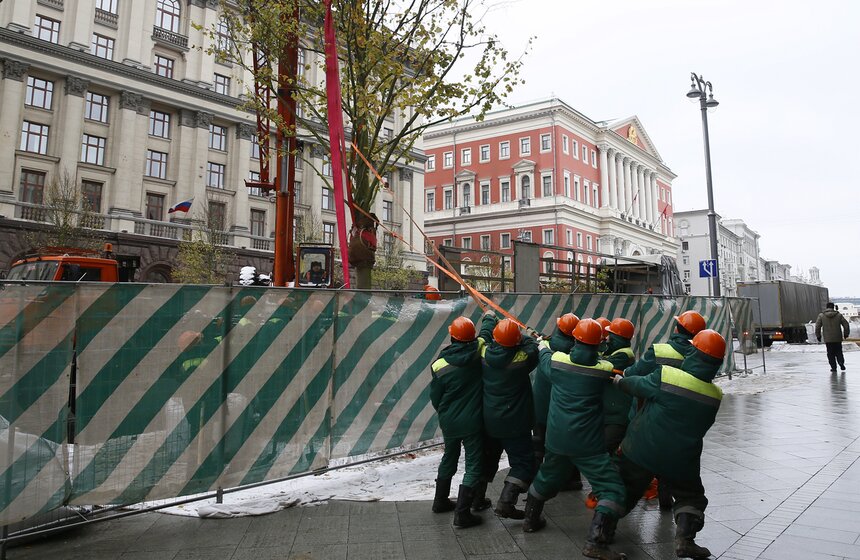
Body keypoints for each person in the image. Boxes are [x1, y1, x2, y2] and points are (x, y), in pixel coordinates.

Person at [612, 329, 727, 559]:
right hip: (681, 458)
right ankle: (685, 539)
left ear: (694, 352)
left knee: (624, 489)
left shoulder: (667, 376)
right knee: (690, 496)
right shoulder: (715, 395)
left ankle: (601, 532)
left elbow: (637, 385)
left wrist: (620, 382)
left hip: (642, 448)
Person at [523, 319, 627, 560]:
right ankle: (597, 540)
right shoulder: (602, 369)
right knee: (612, 488)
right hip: (587, 444)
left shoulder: (558, 362)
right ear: (599, 343)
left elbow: (546, 357)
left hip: (557, 438)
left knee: (547, 477)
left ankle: (530, 519)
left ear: (575, 340)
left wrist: (542, 344)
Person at [624, 310, 706, 510]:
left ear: (677, 328)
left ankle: (610, 516)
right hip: (684, 417)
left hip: (652, 411)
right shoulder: (702, 356)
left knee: (646, 457)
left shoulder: (660, 350)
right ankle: (665, 498)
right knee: (673, 459)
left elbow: (635, 374)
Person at [479, 315, 540, 520]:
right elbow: (532, 344)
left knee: (487, 461)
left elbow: (484, 335)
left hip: (490, 419)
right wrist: (519, 333)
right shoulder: (522, 359)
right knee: (523, 463)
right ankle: (506, 502)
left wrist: (489, 319)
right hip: (515, 422)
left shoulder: (483, 352)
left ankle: (476, 498)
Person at [429, 316, 487, 528]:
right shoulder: (478, 353)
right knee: (473, 463)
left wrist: (445, 412)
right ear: (472, 337)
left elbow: (435, 396)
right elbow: (485, 335)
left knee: (449, 457)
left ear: (452, 336)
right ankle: (463, 513)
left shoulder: (439, 364)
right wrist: (489, 317)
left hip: (449, 420)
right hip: (472, 421)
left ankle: (440, 501)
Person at [584, 318, 636, 509]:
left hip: (618, 415)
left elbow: (600, 365)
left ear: (620, 337)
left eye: (610, 335)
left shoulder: (624, 354)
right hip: (610, 413)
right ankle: (608, 489)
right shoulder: (616, 351)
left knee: (606, 452)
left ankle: (609, 492)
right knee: (607, 451)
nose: (608, 338)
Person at [532, 313, 578, 469]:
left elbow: (551, 346)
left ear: (559, 327)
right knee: (562, 443)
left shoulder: (546, 346)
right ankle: (570, 477)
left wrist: (541, 342)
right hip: (561, 408)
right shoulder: (574, 351)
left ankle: (534, 471)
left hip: (542, 401)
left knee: (538, 439)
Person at [815, 302, 850, 372]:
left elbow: (817, 327)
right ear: (833, 307)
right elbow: (846, 325)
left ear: (826, 307)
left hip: (828, 339)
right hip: (837, 338)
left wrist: (818, 336)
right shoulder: (839, 315)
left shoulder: (821, 316)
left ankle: (833, 367)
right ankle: (841, 362)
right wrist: (846, 334)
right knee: (839, 352)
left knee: (830, 353)